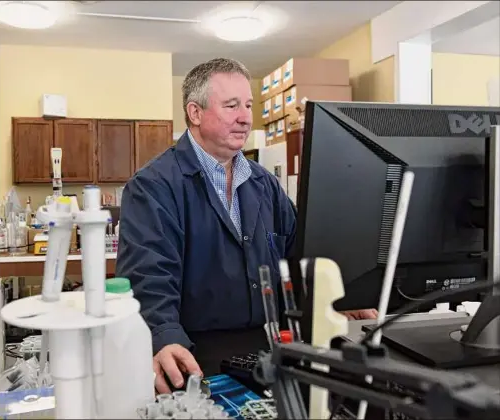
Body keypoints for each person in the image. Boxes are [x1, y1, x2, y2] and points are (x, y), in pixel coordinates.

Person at [115, 58, 377, 394]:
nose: (245, 117)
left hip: (272, 348)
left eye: (249, 105)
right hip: (195, 356)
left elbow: (299, 253)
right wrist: (164, 337)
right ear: (195, 113)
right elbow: (148, 275)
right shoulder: (153, 186)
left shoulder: (263, 183)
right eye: (231, 105)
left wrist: (340, 296)